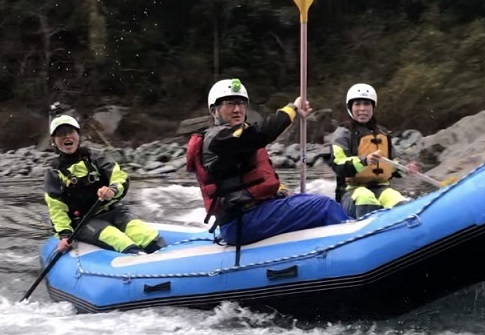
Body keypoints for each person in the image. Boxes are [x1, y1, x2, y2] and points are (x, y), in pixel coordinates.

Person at [186, 78, 349, 250]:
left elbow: (246, 176)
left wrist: (276, 190)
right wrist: (292, 109)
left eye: (241, 104)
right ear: (214, 111)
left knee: (315, 201)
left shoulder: (237, 136)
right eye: (230, 104)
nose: (237, 109)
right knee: (324, 206)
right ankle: (350, 250)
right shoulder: (218, 139)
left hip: (254, 212)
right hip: (243, 222)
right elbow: (261, 133)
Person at [44, 114, 165, 254]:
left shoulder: (96, 157)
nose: (66, 137)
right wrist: (65, 235)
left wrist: (112, 190)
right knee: (121, 242)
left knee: (150, 239)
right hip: (85, 221)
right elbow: (56, 209)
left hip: (114, 212)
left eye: (70, 132)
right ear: (54, 141)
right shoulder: (54, 172)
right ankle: (136, 261)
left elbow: (119, 177)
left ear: (78, 135)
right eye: (60, 134)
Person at [330, 83, 418, 218]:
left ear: (373, 107)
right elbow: (339, 165)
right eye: (357, 104)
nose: (362, 109)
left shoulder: (382, 133)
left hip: (380, 188)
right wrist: (364, 161)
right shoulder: (342, 134)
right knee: (366, 197)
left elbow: (391, 164)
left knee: (396, 199)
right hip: (350, 192)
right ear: (350, 107)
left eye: (366, 104)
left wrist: (405, 169)